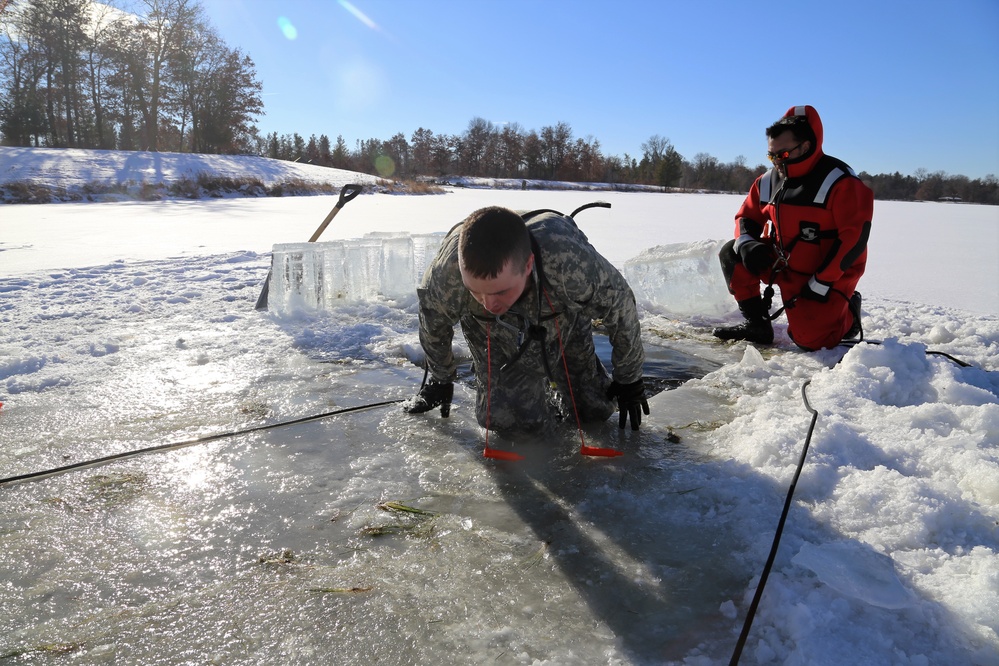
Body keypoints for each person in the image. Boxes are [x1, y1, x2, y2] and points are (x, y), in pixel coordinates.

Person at [403, 205, 649, 433]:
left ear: (528, 265)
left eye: (500, 291)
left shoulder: (568, 263)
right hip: (491, 334)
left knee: (593, 412)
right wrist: (441, 378)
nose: (489, 304)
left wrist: (629, 379)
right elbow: (433, 323)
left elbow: (621, 306)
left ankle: (572, 387)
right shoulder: (447, 274)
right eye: (475, 291)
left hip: (564, 322)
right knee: (509, 423)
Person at [713, 105, 873, 351]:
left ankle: (849, 311)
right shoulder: (767, 181)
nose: (776, 162)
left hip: (825, 271)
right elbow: (747, 216)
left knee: (810, 341)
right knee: (731, 253)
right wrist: (747, 244)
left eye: (783, 155)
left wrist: (822, 281)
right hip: (782, 261)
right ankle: (757, 324)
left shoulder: (841, 183)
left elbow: (853, 241)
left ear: (806, 146)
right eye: (771, 155)